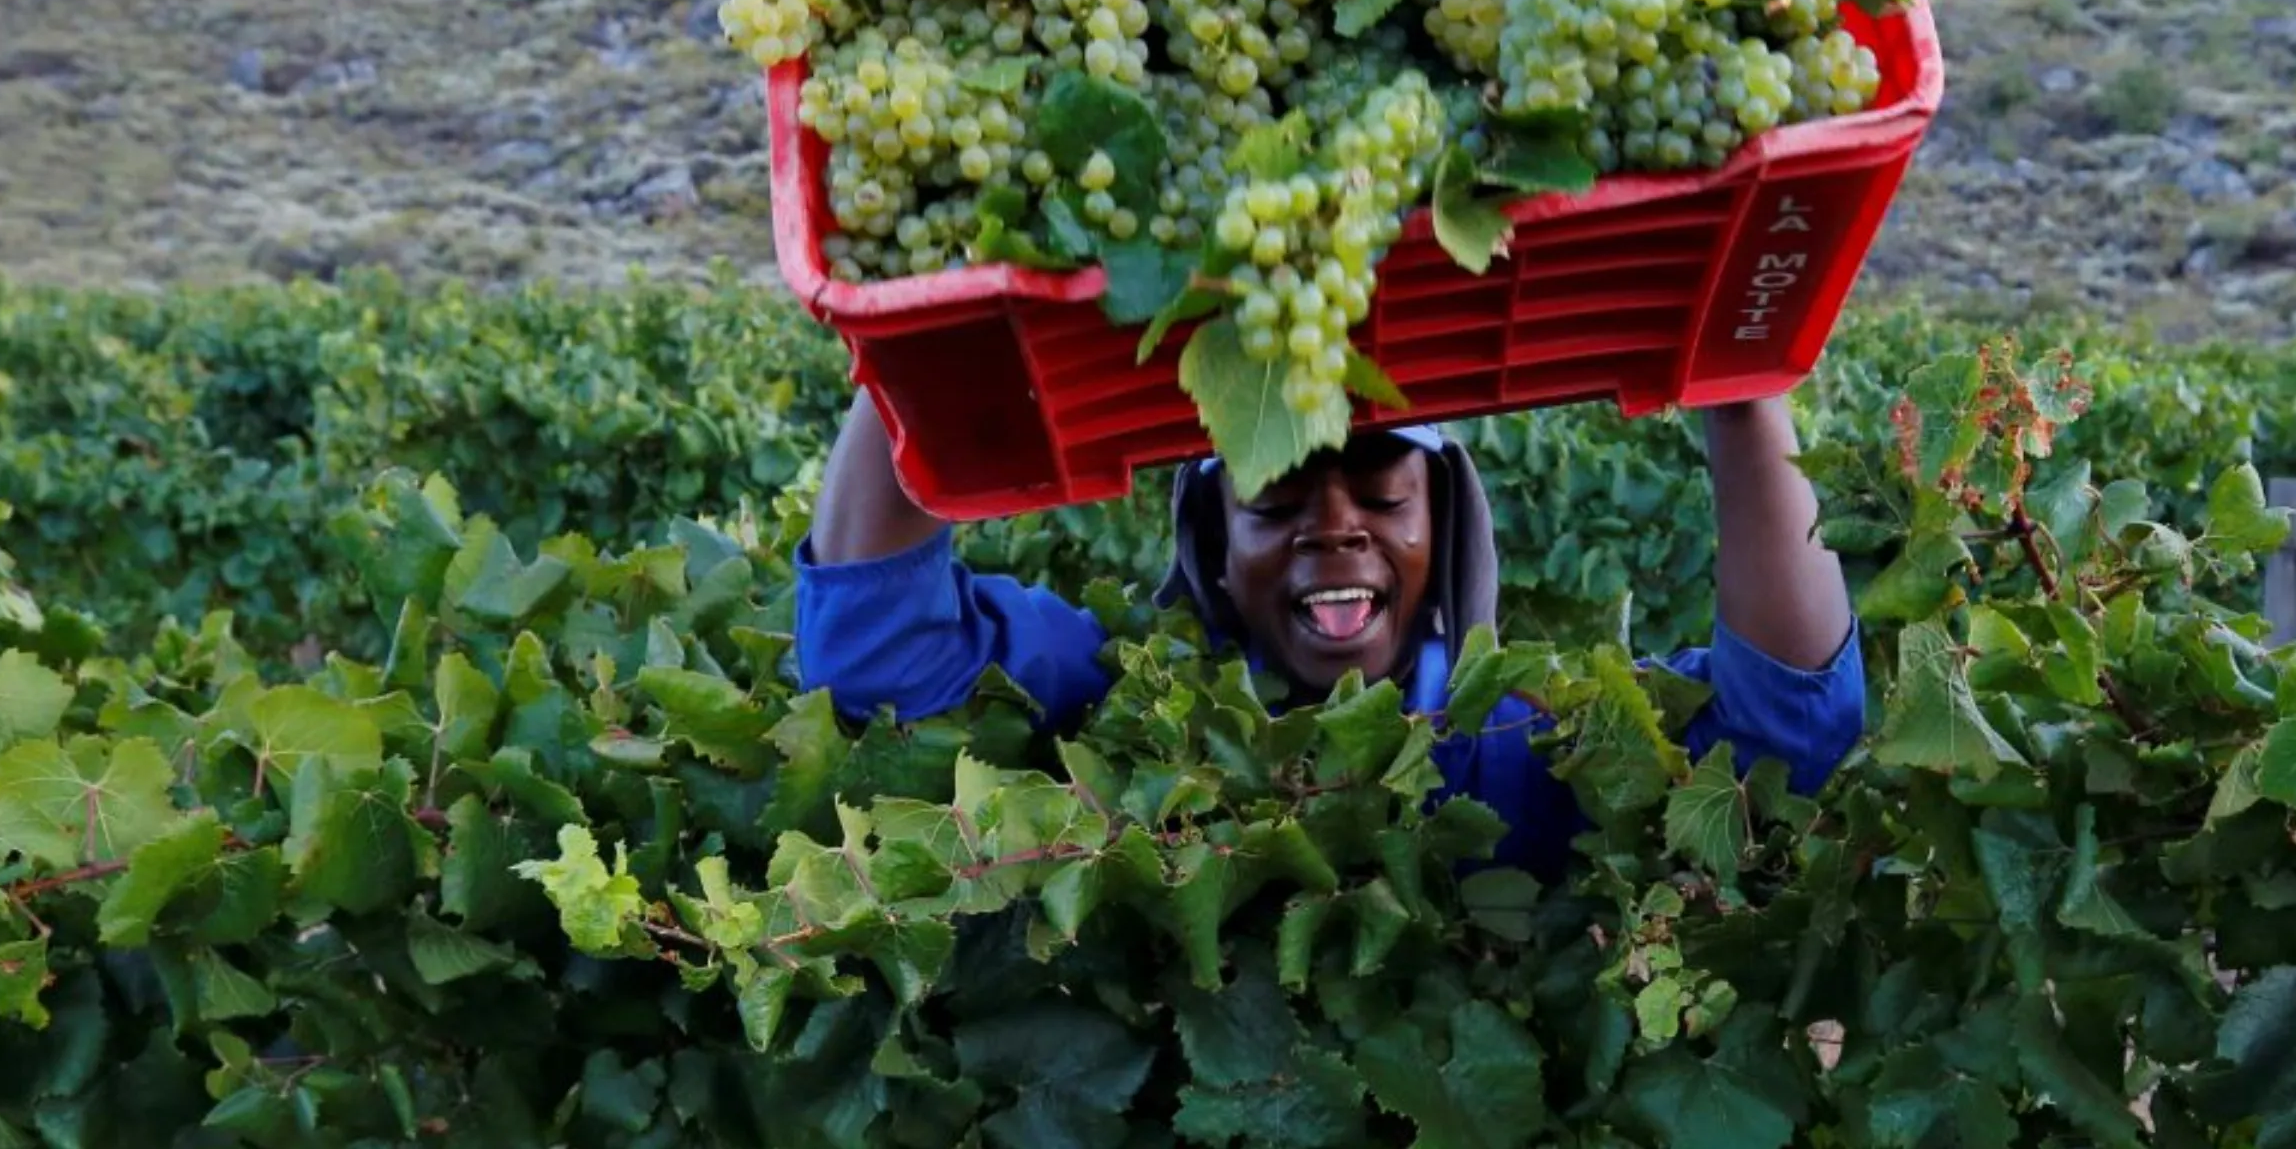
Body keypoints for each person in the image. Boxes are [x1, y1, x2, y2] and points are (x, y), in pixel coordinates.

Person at [795, 389, 1863, 877]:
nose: (1336, 527)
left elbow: (1786, 735)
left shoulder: (1530, 739)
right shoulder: (1118, 703)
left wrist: (1745, 393)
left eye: (1385, 498)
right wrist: (925, 346)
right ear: (1213, 546)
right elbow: (877, 652)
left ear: (1444, 535)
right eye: (1276, 501)